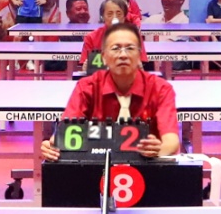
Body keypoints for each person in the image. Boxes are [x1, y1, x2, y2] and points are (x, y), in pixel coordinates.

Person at [39, 25, 179, 162]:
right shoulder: (87, 87)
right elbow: (65, 134)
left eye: (130, 48)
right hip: (95, 166)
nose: (123, 55)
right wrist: (52, 146)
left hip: (148, 166)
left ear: (139, 55)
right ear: (104, 56)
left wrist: (158, 150)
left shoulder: (161, 89)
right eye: (116, 48)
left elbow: (172, 142)